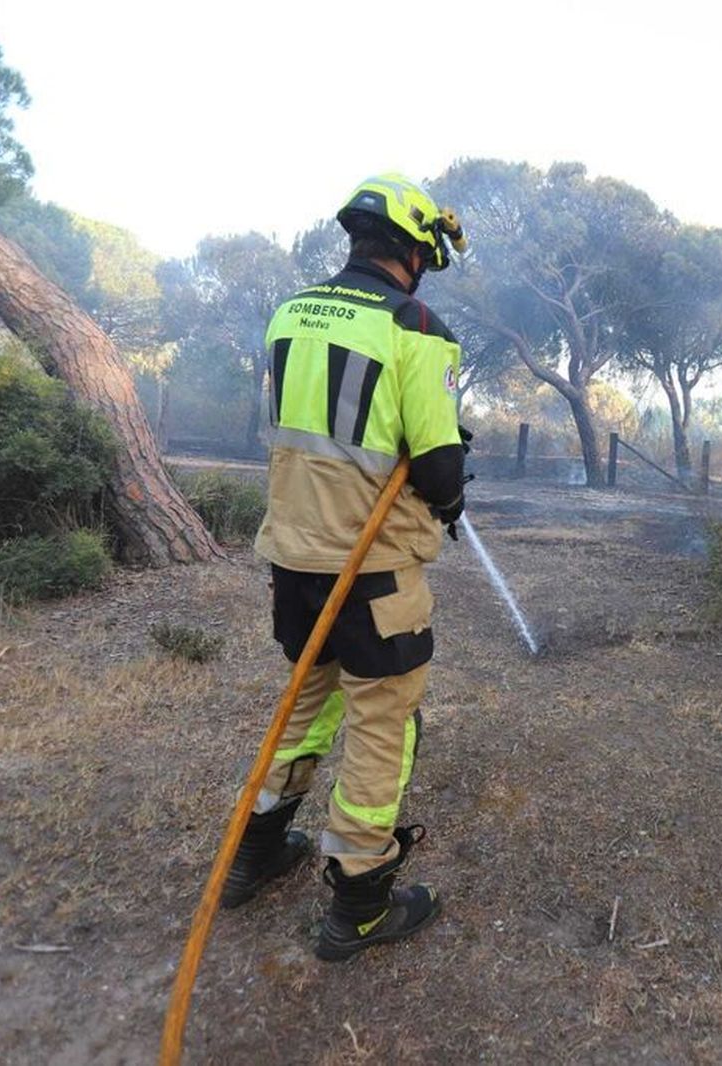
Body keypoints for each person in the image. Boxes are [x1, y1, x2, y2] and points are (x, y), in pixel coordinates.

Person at [224, 173, 470, 962]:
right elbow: (435, 469)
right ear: (414, 248)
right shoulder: (414, 324)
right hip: (373, 570)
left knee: (305, 703)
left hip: (293, 560)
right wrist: (454, 478)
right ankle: (361, 900)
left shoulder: (290, 311)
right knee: (381, 726)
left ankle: (256, 854)